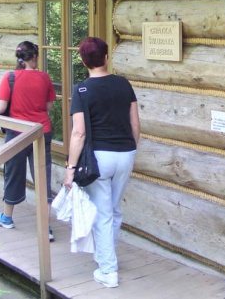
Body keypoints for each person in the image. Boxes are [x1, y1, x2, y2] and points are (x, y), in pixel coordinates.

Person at [63, 37, 140, 289]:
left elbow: (79, 133)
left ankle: (108, 270)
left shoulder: (82, 90)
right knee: (113, 210)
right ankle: (107, 255)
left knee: (104, 214)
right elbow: (135, 125)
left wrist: (71, 168)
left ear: (84, 61)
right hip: (125, 154)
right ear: (106, 58)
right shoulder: (123, 84)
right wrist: (131, 150)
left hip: (98, 159)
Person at [0, 41, 57, 242]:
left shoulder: (10, 77)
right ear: (35, 56)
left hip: (17, 132)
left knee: (12, 173)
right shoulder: (44, 78)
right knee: (42, 176)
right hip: (41, 131)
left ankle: (7, 217)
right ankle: (46, 228)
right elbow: (49, 107)